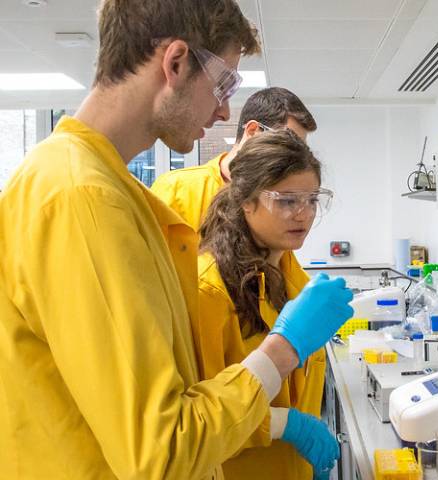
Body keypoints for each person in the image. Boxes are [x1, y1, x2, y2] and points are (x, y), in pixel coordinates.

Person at [0, 1, 352, 479]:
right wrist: (282, 350)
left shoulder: (113, 191)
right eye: (224, 84)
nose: (225, 108)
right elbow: (161, 453)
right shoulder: (82, 196)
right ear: (176, 62)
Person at [196, 131, 335, 479]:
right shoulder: (210, 290)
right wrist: (285, 425)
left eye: (312, 199)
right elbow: (200, 420)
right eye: (287, 201)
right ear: (246, 200)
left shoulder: (290, 277)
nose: (304, 214)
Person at [151, 87, 317, 234]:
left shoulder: (273, 199)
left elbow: (268, 267)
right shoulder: (177, 189)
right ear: (253, 130)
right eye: (287, 142)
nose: (294, 156)